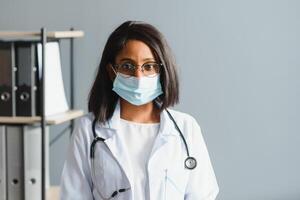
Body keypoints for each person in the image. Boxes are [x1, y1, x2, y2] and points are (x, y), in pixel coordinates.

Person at [60, 21, 219, 200]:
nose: (139, 76)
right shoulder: (88, 130)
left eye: (149, 66)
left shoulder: (186, 128)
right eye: (127, 66)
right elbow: (73, 196)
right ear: (112, 72)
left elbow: (202, 195)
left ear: (162, 71)